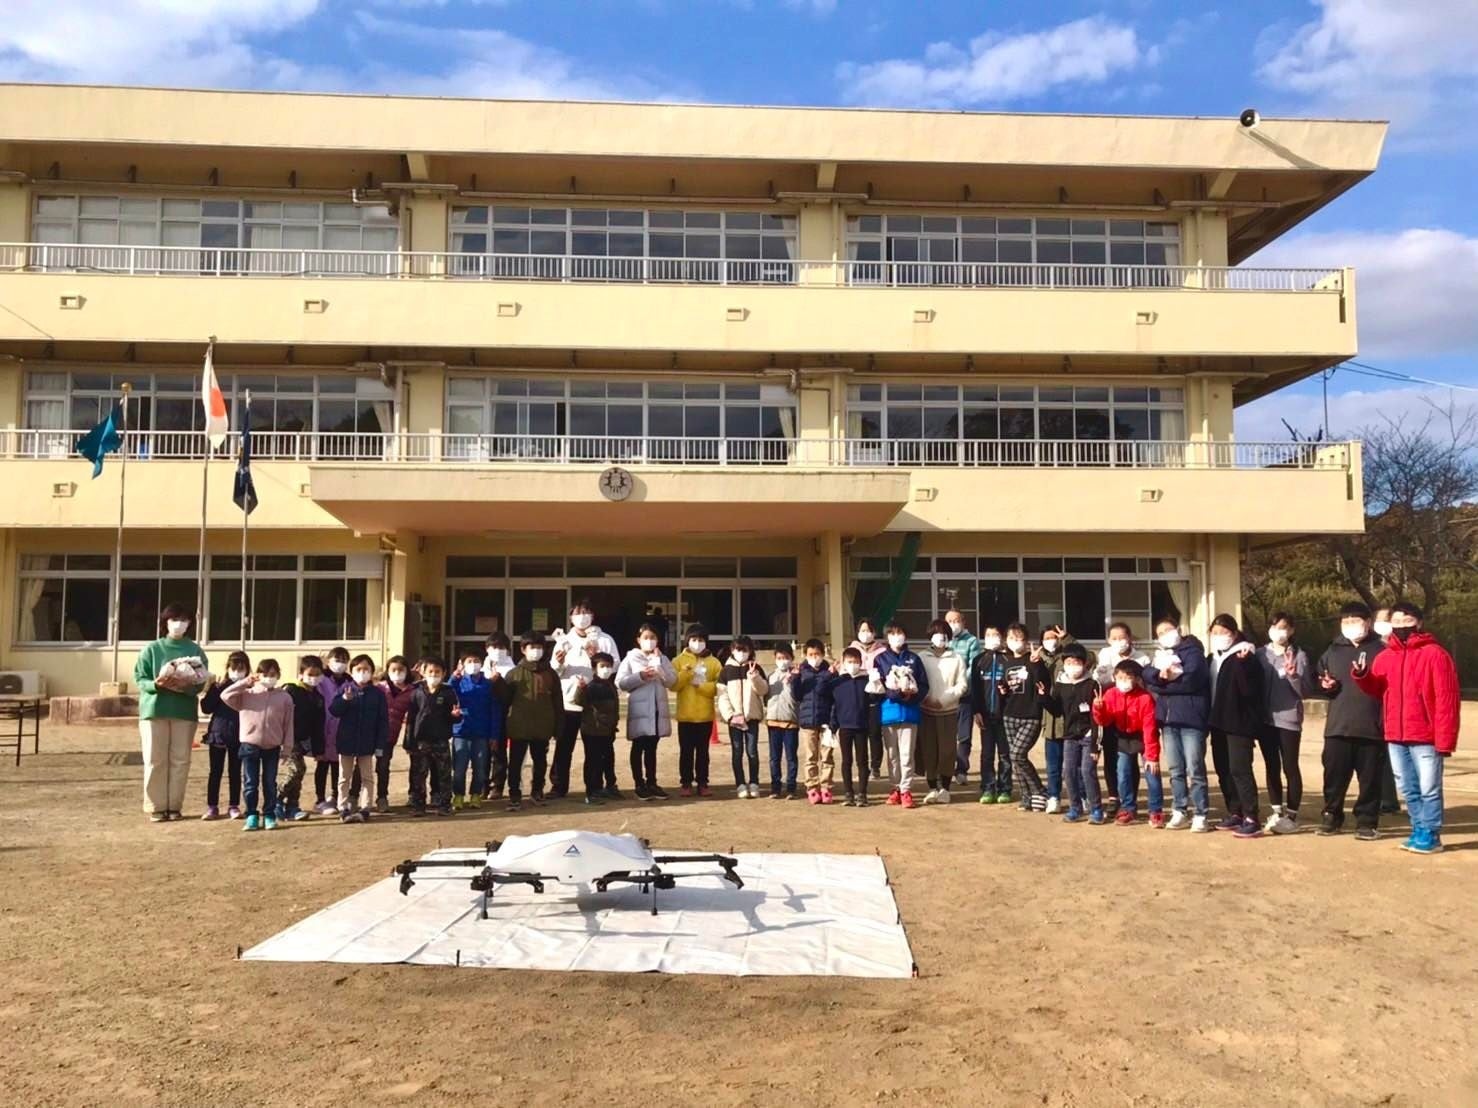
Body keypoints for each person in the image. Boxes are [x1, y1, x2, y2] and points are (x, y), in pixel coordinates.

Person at [1352, 601, 1460, 854]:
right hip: (1395, 734)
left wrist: (1445, 740)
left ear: (1419, 623)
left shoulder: (1436, 654)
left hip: (1425, 735)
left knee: (1429, 787)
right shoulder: (1386, 655)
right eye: (1396, 622)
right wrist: (1363, 675)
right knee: (1408, 787)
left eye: (1407, 621)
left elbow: (1447, 700)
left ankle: (1431, 834)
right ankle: (1418, 828)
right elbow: (1377, 689)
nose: (1401, 627)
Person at [1313, 603, 1386, 840]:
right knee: (1333, 776)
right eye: (1346, 621)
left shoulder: (1381, 650)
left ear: (1368, 622)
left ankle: (1366, 821)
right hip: (1338, 726)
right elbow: (1321, 679)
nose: (1350, 626)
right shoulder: (1333, 651)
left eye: (1356, 621)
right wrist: (1325, 686)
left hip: (1371, 726)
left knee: (1370, 779)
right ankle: (1331, 816)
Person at [134, 602, 209, 822]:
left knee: (180, 760)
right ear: (165, 622)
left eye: (184, 620)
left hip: (183, 710)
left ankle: (174, 806)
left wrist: (189, 685)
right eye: (174, 620)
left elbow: (201, 680)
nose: (179, 624)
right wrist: (157, 684)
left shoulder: (195, 650)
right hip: (154, 710)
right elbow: (140, 677)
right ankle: (155, 806)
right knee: (154, 759)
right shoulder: (152, 649)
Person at [1141, 618, 1212, 832]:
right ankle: (1179, 809)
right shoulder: (1161, 655)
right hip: (1168, 721)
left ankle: (1201, 813)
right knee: (1175, 769)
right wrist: (1161, 678)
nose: (1164, 634)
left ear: (1178, 630)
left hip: (1192, 720)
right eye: (1160, 632)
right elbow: (1147, 675)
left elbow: (1191, 681)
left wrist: (1162, 687)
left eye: (1168, 630)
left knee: (1195, 768)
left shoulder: (1193, 652)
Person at [550, 600, 619, 800]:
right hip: (569, 700)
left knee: (596, 748)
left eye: (586, 612)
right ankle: (558, 786)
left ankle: (596, 786)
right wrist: (559, 661)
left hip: (595, 704)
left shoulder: (605, 639)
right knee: (564, 746)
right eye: (578, 613)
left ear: (593, 616)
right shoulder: (564, 640)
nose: (582, 616)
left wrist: (595, 656)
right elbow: (555, 670)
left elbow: (615, 666)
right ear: (571, 617)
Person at [1205, 614, 1266, 838]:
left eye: (1224, 632)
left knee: (1240, 769)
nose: (1219, 637)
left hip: (1239, 722)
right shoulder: (1212, 657)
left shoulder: (1246, 655)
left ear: (1234, 633)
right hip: (1217, 721)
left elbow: (1250, 689)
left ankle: (1252, 817)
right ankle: (1235, 812)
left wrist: (1243, 665)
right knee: (1223, 769)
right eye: (1215, 633)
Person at [221, 658, 294, 832]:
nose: (269, 677)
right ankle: (252, 814)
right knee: (250, 782)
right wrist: (245, 682)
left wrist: (287, 747)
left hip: (272, 746)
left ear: (278, 675)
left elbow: (288, 724)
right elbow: (225, 695)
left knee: (269, 782)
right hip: (249, 745)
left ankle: (269, 814)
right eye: (265, 674)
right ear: (257, 674)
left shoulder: (284, 698)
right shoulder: (247, 694)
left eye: (273, 674)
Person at [1258, 612, 1311, 834]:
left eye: (1284, 627)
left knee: (1290, 766)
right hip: (1265, 719)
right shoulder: (1260, 654)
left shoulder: (1300, 656)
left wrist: (1293, 676)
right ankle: (1276, 811)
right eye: (1275, 626)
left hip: (1288, 719)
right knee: (1271, 766)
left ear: (1291, 630)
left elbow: (1306, 691)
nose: (1279, 631)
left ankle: (1292, 815)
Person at [1091, 659, 1161, 826]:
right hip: (1122, 738)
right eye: (1120, 676)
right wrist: (1098, 708)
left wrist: (1152, 756)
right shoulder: (1110, 694)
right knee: (1123, 774)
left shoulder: (1145, 698)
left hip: (1143, 737)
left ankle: (1156, 811)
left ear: (1137, 679)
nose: (1124, 680)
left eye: (1129, 677)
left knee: (1152, 773)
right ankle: (1128, 808)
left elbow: (1150, 728)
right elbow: (1105, 721)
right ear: (1114, 677)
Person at [503, 632, 565, 812]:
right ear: (523, 649)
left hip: (542, 726)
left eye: (539, 647)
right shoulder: (514, 674)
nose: (536, 651)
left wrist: (558, 726)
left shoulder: (551, 674)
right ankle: (514, 794)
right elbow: (504, 702)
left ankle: (537, 791)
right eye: (532, 647)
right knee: (515, 763)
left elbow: (557, 702)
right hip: (518, 727)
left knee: (540, 761)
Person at [1095, 624, 1152, 814]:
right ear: (1109, 640)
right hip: (1112, 711)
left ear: (1130, 638)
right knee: (1112, 756)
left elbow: (1145, 684)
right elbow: (1100, 680)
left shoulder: (1142, 658)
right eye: (1114, 638)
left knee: (1131, 758)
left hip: (1135, 714)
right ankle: (1114, 796)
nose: (1119, 641)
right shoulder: (1104, 655)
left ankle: (1131, 799)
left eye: (1122, 637)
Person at [616, 623, 677, 800]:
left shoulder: (663, 658)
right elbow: (621, 683)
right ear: (638, 640)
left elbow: (672, 681)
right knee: (638, 746)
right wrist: (641, 676)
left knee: (652, 748)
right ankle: (639, 783)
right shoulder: (631, 658)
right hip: (639, 711)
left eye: (653, 638)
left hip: (657, 710)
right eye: (646, 638)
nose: (649, 641)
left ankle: (652, 782)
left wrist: (660, 669)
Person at [1043, 643, 1102, 823]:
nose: (1072, 665)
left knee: (1087, 771)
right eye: (1068, 661)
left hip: (1088, 736)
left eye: (1076, 661)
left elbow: (1097, 718)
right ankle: (1075, 807)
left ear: (1084, 663)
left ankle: (1096, 809)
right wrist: (1043, 697)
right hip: (1070, 736)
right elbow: (1056, 710)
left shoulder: (1092, 684)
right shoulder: (1061, 685)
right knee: (1068, 771)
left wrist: (1095, 745)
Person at [876, 621, 929, 809]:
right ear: (887, 637)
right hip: (888, 713)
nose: (896, 636)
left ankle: (906, 790)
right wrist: (896, 694)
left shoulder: (914, 658)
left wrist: (910, 696)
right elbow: (879, 685)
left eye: (900, 633)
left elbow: (923, 685)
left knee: (907, 754)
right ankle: (895, 788)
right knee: (892, 755)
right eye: (892, 633)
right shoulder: (880, 659)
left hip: (910, 713)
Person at [329, 654, 388, 824]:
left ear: (372, 671)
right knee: (344, 777)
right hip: (346, 742)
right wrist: (345, 700)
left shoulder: (377, 694)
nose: (363, 673)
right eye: (358, 669)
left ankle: (365, 807)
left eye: (366, 669)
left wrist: (379, 745)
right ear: (352, 671)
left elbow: (383, 720)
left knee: (367, 777)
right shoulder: (345, 690)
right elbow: (334, 710)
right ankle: (343, 807)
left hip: (367, 743)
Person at [919, 619, 969, 804]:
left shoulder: (956, 658)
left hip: (948, 711)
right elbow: (917, 681)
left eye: (944, 633)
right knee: (929, 750)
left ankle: (945, 788)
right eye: (936, 633)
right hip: (926, 710)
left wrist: (944, 700)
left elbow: (962, 685)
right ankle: (932, 787)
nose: (940, 637)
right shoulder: (922, 657)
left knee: (947, 751)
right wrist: (926, 698)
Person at [999, 623, 1047, 811]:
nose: (1016, 642)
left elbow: (1043, 682)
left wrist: (1036, 663)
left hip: (1030, 716)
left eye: (1020, 638)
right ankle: (1026, 796)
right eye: (1012, 638)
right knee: (1016, 759)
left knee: (1017, 754)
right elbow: (1006, 686)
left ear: (1026, 641)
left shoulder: (1034, 660)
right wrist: (1002, 689)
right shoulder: (1007, 662)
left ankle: (1039, 789)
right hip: (1010, 714)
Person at [404, 656, 458, 816]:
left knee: (444, 774)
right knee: (418, 775)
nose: (434, 675)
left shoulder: (448, 692)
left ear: (444, 673)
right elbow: (411, 719)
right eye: (430, 671)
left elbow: (454, 715)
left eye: (437, 672)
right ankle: (419, 805)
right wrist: (409, 741)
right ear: (423, 673)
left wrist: (456, 716)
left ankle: (444, 805)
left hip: (440, 740)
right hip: (420, 741)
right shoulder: (416, 692)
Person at [716, 636, 767, 798]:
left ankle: (754, 782)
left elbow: (763, 691)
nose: (741, 653)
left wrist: (754, 677)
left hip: (752, 717)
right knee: (737, 752)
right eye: (738, 649)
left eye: (745, 650)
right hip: (735, 720)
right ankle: (740, 784)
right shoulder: (725, 671)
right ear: (732, 650)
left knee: (752, 751)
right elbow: (722, 696)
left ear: (750, 651)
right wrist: (730, 716)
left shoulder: (756, 667)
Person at [199, 650, 248, 820]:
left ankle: (233, 806)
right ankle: (212, 806)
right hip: (218, 733)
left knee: (235, 771)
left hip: (240, 734)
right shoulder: (219, 685)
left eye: (241, 668)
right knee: (215, 771)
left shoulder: (248, 688)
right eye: (234, 668)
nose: (237, 672)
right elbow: (206, 708)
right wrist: (213, 688)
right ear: (227, 668)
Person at [674, 623, 721, 797]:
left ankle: (703, 782)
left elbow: (719, 686)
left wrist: (702, 686)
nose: (697, 643)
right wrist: (685, 674)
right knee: (686, 752)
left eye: (701, 640)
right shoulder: (678, 660)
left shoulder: (714, 662)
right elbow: (673, 685)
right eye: (694, 639)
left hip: (705, 716)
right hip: (685, 716)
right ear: (687, 641)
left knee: (703, 753)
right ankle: (685, 783)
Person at [970, 625, 1012, 804]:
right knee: (987, 754)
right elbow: (975, 689)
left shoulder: (1007, 659)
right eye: (988, 635)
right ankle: (988, 788)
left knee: (1005, 754)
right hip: (985, 715)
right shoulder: (978, 660)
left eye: (995, 634)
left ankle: (1005, 789)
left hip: (1005, 715)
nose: (992, 637)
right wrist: (976, 711)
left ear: (1002, 638)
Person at [1036, 623, 1076, 812]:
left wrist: (1068, 639)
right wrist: (1034, 661)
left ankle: (1080, 796)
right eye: (1046, 638)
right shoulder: (1037, 657)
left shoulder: (1067, 656)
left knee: (1072, 765)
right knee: (1052, 765)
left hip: (1070, 717)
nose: (1050, 641)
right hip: (1050, 718)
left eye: (1054, 637)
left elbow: (1087, 657)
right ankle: (1053, 796)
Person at [278, 655, 323, 822]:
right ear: (301, 673)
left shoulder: (318, 698)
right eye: (310, 674)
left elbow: (318, 725)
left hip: (302, 740)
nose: (313, 678)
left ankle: (292, 806)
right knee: (297, 769)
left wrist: (318, 749)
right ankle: (276, 798)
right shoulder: (291, 690)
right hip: (287, 739)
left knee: (298, 772)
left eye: (317, 674)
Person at [1369, 606, 1403, 816]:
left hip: (1394, 710)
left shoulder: (1398, 648)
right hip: (1373, 710)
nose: (1383, 623)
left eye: (1387, 619)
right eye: (1379, 619)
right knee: (1378, 757)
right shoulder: (1371, 647)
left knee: (1395, 759)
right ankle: (1385, 799)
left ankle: (1390, 800)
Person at [795, 638, 837, 805]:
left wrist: (833, 722)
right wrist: (795, 678)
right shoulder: (803, 671)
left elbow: (831, 694)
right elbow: (797, 695)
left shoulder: (830, 671)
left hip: (826, 720)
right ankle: (812, 786)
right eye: (811, 654)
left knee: (827, 756)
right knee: (811, 755)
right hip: (808, 720)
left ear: (822, 654)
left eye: (817, 654)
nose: (814, 657)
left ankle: (826, 787)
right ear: (805, 655)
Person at [450, 652, 494, 810]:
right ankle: (458, 796)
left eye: (476, 660)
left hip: (481, 733)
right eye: (469, 661)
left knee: (480, 768)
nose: (473, 663)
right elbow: (448, 692)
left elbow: (493, 709)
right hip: (461, 732)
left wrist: (493, 734)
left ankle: (476, 794)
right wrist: (454, 677)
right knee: (459, 768)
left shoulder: (488, 684)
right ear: (462, 664)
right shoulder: (459, 682)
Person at [945, 609, 983, 783]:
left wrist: (959, 685)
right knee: (946, 735)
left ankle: (961, 770)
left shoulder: (972, 641)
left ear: (963, 622)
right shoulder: (942, 640)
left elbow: (973, 666)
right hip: (945, 697)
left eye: (956, 620)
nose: (953, 624)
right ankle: (944, 769)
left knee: (964, 735)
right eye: (949, 621)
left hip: (964, 695)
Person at [849, 619, 889, 785]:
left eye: (868, 630)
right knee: (860, 735)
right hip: (858, 697)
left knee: (875, 734)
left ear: (874, 632)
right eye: (862, 630)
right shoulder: (851, 649)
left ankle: (876, 766)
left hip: (876, 697)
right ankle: (862, 767)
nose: (865, 634)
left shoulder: (882, 651)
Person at [576, 652, 620, 805]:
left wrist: (614, 725)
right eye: (602, 666)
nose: (606, 669)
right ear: (594, 669)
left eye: (608, 666)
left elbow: (614, 708)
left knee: (608, 759)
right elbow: (579, 701)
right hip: (592, 730)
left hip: (607, 731)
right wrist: (581, 689)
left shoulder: (611, 686)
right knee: (593, 760)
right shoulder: (591, 686)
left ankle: (609, 786)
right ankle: (592, 790)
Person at [830, 646, 871, 806]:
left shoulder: (866, 681)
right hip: (845, 726)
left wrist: (876, 682)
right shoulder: (839, 682)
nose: (853, 664)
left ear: (861, 663)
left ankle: (862, 793)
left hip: (861, 726)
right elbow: (834, 704)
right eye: (849, 662)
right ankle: (848, 793)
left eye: (856, 662)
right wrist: (833, 726)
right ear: (844, 663)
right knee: (846, 761)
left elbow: (874, 700)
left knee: (862, 761)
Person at [313, 646, 352, 814]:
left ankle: (336, 797)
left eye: (344, 660)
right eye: (337, 660)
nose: (340, 664)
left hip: (341, 730)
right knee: (322, 765)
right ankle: (320, 799)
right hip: (322, 728)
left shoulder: (350, 681)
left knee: (338, 767)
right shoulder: (321, 679)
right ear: (328, 662)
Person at [376, 655, 416, 813]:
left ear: (407, 671)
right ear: (388, 671)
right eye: (393, 670)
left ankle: (382, 797)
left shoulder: (411, 691)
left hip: (389, 736)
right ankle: (354, 796)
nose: (397, 673)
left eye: (401, 670)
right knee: (362, 768)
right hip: (371, 734)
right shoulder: (379, 688)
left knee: (383, 766)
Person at [765, 644, 801, 799]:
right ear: (775, 659)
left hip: (790, 721)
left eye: (786, 658)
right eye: (780, 658)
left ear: (791, 658)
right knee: (774, 757)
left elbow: (799, 696)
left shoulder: (797, 676)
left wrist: (794, 679)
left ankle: (791, 787)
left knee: (791, 756)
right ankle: (775, 787)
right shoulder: (771, 676)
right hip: (773, 722)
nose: (783, 661)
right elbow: (765, 696)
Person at [481, 632, 514, 800]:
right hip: (482, 717)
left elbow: (510, 696)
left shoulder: (512, 671)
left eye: (501, 647)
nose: (497, 650)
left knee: (499, 753)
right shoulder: (480, 668)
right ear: (487, 649)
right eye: (494, 647)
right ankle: (482, 786)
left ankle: (498, 786)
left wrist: (498, 682)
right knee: (482, 754)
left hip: (502, 717)